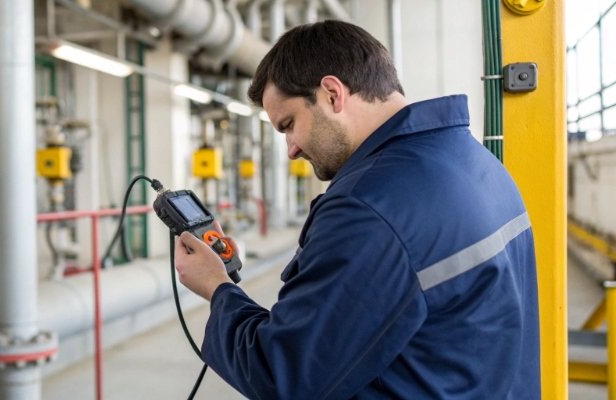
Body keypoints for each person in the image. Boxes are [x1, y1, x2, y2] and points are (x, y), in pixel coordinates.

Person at [174, 20, 540, 399]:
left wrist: (216, 287)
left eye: (289, 124)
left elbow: (285, 377)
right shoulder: (476, 163)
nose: (292, 149)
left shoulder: (368, 207)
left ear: (332, 94)